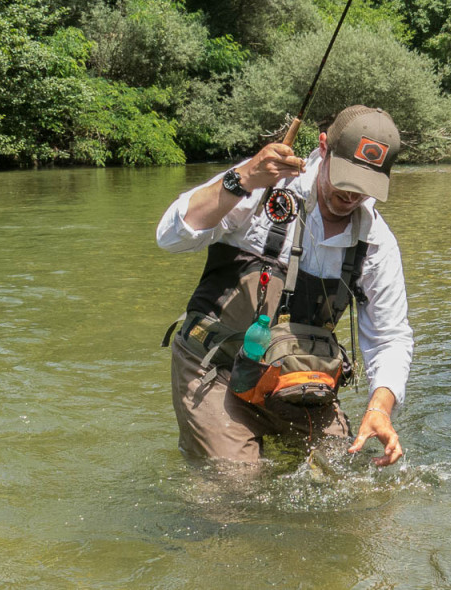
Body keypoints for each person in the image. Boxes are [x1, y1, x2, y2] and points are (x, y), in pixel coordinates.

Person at [156, 105, 413, 467]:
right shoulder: (261, 186)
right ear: (323, 147)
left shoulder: (376, 241)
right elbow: (170, 237)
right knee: (236, 484)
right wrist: (243, 177)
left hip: (297, 379)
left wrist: (379, 409)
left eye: (364, 186)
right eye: (345, 179)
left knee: (341, 472)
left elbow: (390, 338)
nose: (351, 196)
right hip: (215, 368)